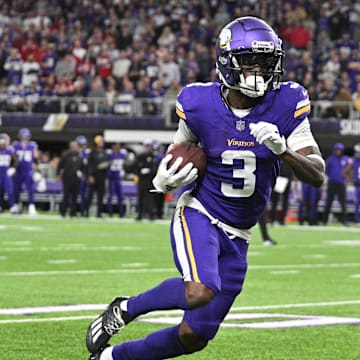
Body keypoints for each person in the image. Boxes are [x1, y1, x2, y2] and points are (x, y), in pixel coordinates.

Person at [86, 17, 325, 360]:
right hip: (201, 213)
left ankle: (110, 358)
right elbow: (178, 151)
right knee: (199, 290)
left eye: (266, 61)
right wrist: (163, 177)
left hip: (240, 233)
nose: (258, 69)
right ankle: (125, 309)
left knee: (193, 336)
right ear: (227, 61)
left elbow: (317, 173)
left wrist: (282, 150)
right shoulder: (199, 102)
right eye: (248, 61)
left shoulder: (288, 102)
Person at [12, 128, 39, 215]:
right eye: (23, 136)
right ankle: (16, 205)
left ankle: (31, 206)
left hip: (28, 170)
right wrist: (12, 167)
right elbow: (12, 157)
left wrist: (37, 167)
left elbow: (36, 157)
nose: (24, 138)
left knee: (30, 189)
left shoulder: (32, 145)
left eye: (26, 136)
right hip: (19, 170)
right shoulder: (15, 145)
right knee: (16, 189)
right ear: (20, 136)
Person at [323, 143, 350, 225]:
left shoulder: (346, 159)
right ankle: (324, 221)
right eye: (337, 150)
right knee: (328, 202)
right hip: (332, 183)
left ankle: (344, 221)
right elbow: (326, 171)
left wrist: (346, 178)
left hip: (341, 184)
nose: (339, 151)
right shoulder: (330, 159)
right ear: (335, 150)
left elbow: (349, 170)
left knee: (343, 203)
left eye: (340, 150)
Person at [56, 141, 83, 218]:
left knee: (75, 197)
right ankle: (63, 212)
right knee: (66, 196)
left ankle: (73, 213)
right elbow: (60, 165)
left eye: (75, 146)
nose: (74, 148)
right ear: (70, 147)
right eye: (73, 146)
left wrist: (82, 174)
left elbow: (82, 167)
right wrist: (58, 175)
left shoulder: (79, 156)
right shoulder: (65, 155)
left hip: (76, 179)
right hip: (67, 178)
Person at [85, 135, 110, 218]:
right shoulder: (92, 153)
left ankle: (99, 213)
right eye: (100, 141)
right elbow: (89, 166)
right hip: (94, 176)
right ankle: (86, 212)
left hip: (102, 177)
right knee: (90, 195)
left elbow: (108, 164)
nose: (101, 142)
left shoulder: (105, 153)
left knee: (101, 196)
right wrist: (90, 176)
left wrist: (106, 165)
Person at [134, 139, 158, 221]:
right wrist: (141, 172)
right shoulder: (140, 156)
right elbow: (136, 167)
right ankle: (139, 214)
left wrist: (149, 172)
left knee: (150, 198)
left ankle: (150, 215)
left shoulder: (153, 156)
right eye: (146, 146)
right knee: (140, 197)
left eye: (149, 146)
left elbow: (154, 169)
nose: (147, 148)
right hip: (141, 180)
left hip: (149, 180)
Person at [107, 143, 127, 217]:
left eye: (118, 148)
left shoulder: (122, 155)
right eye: (115, 148)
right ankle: (110, 212)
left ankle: (121, 213)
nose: (117, 149)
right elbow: (107, 166)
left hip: (118, 178)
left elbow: (126, 163)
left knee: (120, 196)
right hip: (111, 178)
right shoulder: (110, 155)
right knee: (110, 196)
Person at [0, 133, 17, 214]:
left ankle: (12, 207)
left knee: (10, 191)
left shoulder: (10, 150)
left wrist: (13, 168)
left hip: (6, 173)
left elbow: (16, 161)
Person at [344, 143, 360, 223]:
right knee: (357, 203)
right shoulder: (354, 161)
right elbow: (346, 171)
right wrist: (350, 179)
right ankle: (357, 219)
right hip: (357, 185)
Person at [76, 135, 90, 216]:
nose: (83, 146)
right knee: (73, 194)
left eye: (84, 144)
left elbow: (88, 165)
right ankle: (73, 210)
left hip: (85, 176)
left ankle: (83, 210)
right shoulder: (75, 152)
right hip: (75, 176)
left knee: (84, 194)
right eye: (81, 144)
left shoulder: (87, 153)